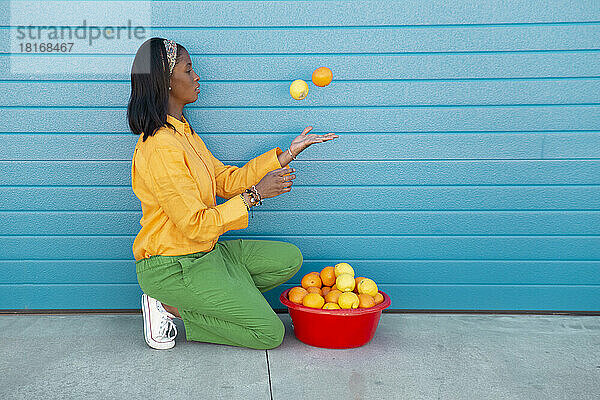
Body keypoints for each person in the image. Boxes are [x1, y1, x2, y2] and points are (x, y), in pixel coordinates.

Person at [127, 37, 339, 350]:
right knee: (269, 333)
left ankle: (225, 295)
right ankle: (169, 306)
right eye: (188, 71)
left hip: (206, 253)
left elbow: (225, 180)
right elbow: (195, 225)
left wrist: (286, 155)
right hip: (173, 266)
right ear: (166, 82)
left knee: (288, 259)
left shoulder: (182, 131)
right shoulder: (160, 147)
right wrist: (255, 195)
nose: (197, 77)